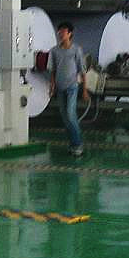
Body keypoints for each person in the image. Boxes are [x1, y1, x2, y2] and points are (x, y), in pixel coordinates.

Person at [49, 21, 89, 157]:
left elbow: (82, 70)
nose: (61, 34)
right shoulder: (54, 51)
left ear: (70, 34)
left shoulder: (76, 50)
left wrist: (84, 90)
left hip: (72, 87)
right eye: (59, 31)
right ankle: (73, 143)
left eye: (64, 31)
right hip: (60, 87)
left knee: (70, 115)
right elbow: (53, 70)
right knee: (65, 118)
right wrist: (52, 86)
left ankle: (78, 144)